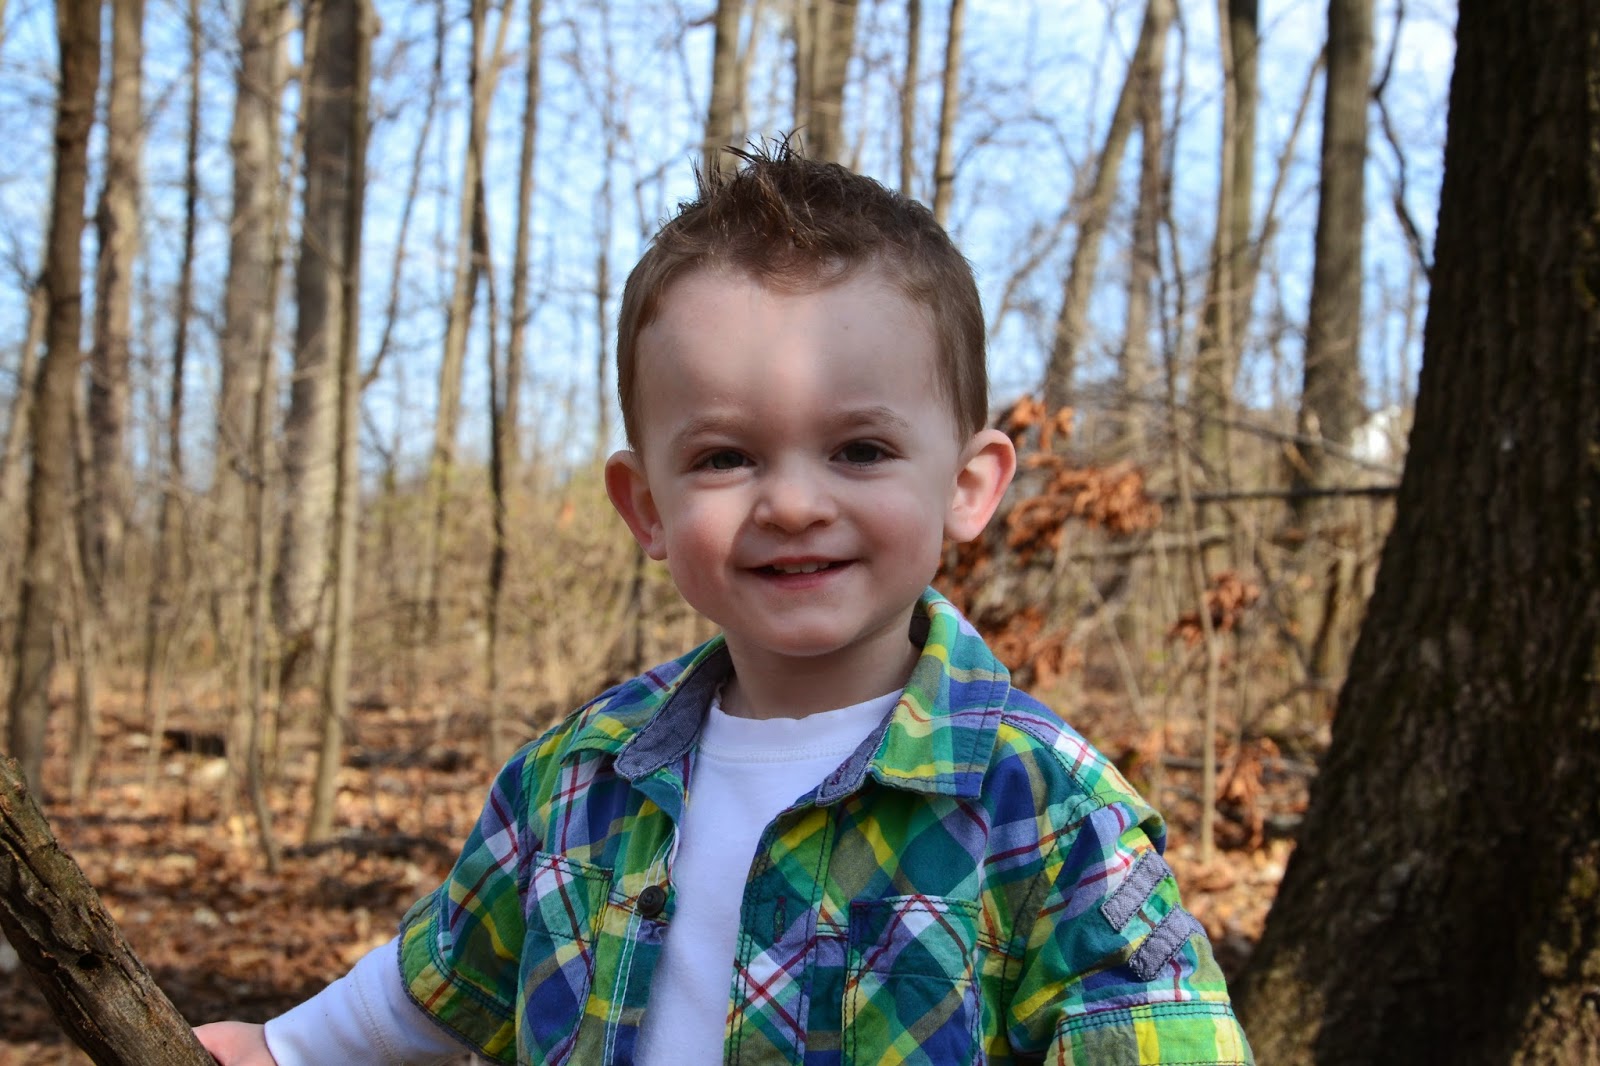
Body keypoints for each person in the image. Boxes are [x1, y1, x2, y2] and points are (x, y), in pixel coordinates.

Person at [198, 143, 1252, 1066]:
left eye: (860, 449)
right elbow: (440, 976)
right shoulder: (579, 778)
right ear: (646, 506)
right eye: (724, 457)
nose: (792, 503)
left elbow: (1157, 1030)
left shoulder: (1043, 807)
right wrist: (282, 1047)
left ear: (969, 485)